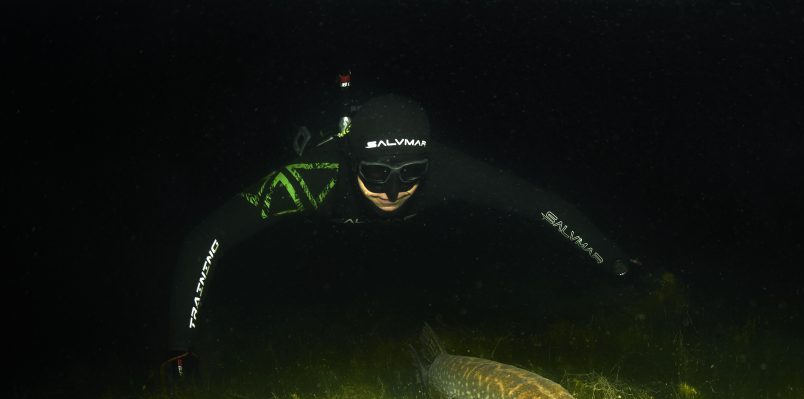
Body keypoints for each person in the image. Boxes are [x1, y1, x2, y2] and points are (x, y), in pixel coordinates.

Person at [164, 88, 645, 383]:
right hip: (320, 212)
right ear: (351, 163)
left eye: (410, 173)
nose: (393, 192)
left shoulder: (448, 173)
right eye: (375, 174)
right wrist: (182, 347)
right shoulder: (313, 178)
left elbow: (541, 204)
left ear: (428, 164)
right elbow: (207, 238)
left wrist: (617, 262)